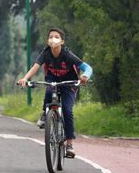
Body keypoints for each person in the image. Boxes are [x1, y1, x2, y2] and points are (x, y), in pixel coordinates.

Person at [17, 27, 92, 158]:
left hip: (69, 83)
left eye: (56, 37)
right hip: (52, 80)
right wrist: (25, 78)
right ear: (47, 40)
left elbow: (87, 67)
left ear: (62, 41)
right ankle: (45, 115)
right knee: (48, 92)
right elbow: (35, 67)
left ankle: (69, 144)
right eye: (50, 36)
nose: (53, 39)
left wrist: (85, 75)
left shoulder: (67, 55)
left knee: (67, 111)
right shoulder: (45, 53)